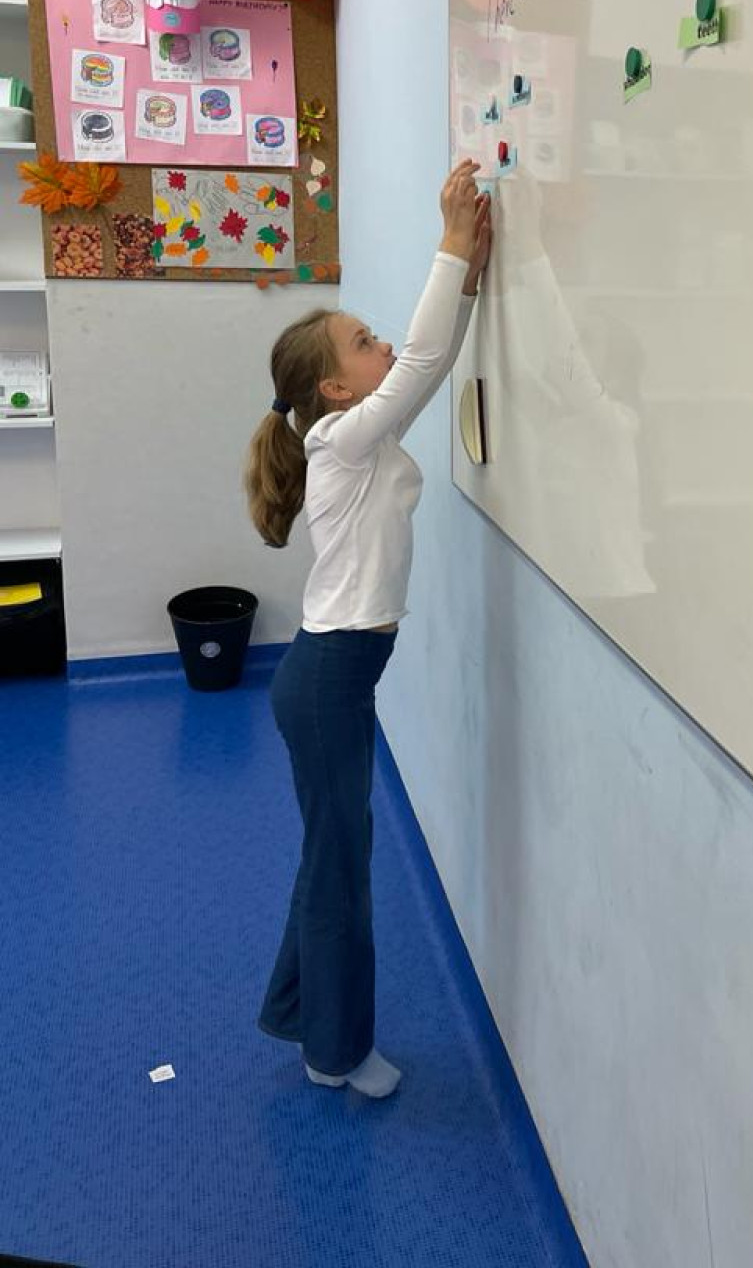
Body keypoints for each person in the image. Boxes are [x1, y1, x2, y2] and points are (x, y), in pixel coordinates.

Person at [244, 160, 490, 1097]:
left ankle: (296, 1012)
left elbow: (428, 364)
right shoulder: (340, 442)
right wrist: (451, 244)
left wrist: (467, 284)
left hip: (333, 679)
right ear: (336, 390)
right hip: (327, 684)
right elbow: (421, 365)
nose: (381, 343)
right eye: (363, 342)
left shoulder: (355, 436)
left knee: (331, 858)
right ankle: (334, 1053)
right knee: (342, 867)